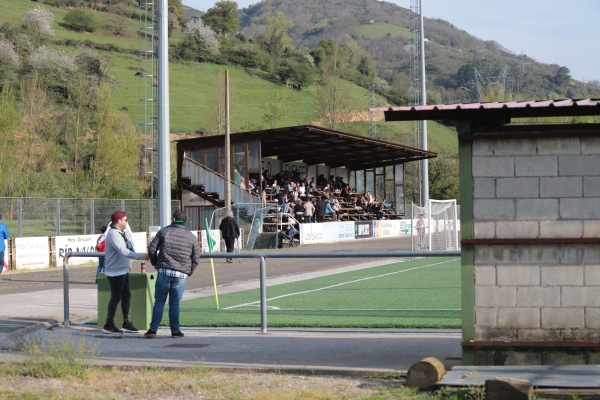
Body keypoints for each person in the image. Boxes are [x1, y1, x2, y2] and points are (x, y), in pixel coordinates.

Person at [145, 210, 199, 339]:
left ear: (173, 218)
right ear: (185, 221)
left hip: (164, 271)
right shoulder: (192, 237)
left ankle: (153, 330)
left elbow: (152, 249)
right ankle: (175, 331)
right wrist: (188, 271)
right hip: (181, 274)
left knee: (159, 302)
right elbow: (196, 258)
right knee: (174, 303)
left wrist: (155, 263)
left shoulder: (164, 231)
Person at [102, 211, 149, 334]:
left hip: (122, 270)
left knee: (126, 297)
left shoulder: (120, 233)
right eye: (125, 220)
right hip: (115, 272)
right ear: (119, 221)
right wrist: (141, 256)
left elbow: (127, 250)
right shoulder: (113, 234)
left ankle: (126, 323)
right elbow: (124, 251)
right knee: (116, 298)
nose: (127, 222)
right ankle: (109, 325)